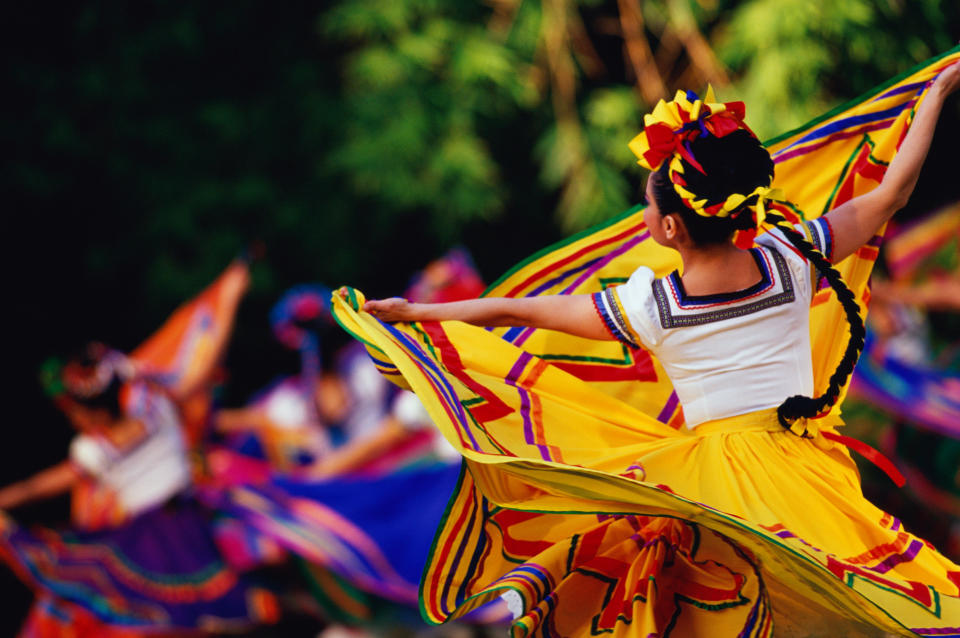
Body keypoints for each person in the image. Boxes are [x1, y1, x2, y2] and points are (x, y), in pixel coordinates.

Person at [340, 61, 960, 636]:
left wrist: (420, 314)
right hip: (806, 467)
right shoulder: (796, 256)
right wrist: (930, 99)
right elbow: (890, 195)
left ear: (670, 228)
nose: (644, 210)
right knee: (854, 597)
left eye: (647, 203)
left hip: (712, 485)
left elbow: (515, 310)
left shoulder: (654, 308)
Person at [0, 344, 279, 634]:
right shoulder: (157, 409)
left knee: (179, 617)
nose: (75, 420)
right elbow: (197, 369)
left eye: (75, 412)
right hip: (190, 522)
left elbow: (36, 487)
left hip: (153, 540)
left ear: (86, 411)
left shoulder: (95, 450)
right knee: (218, 611)